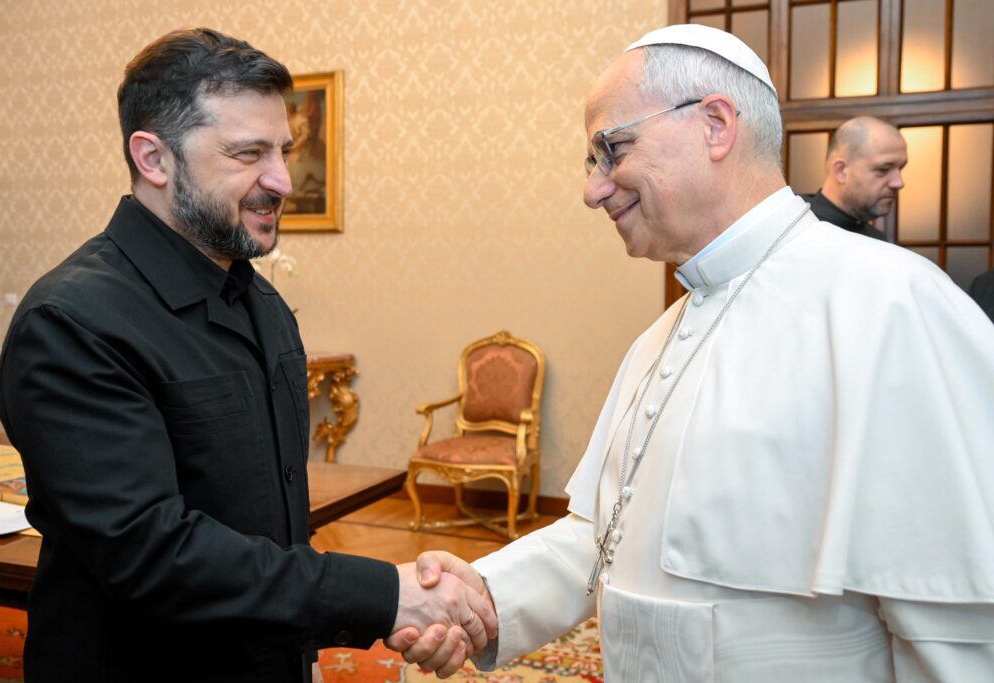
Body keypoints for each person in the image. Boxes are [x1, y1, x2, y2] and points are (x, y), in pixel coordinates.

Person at [395, 24, 994, 681]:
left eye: (611, 150)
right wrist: (478, 594)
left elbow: (960, 636)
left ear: (714, 125)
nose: (593, 189)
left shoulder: (893, 306)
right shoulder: (660, 337)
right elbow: (601, 539)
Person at [0, 28, 493, 683]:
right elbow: (153, 554)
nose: (282, 180)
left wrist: (377, 619)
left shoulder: (263, 306)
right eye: (248, 153)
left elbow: (267, 534)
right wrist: (383, 592)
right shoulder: (71, 321)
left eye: (283, 150)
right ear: (153, 158)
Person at [801, 116, 908, 241]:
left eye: (900, 168)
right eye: (883, 170)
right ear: (841, 171)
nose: (899, 183)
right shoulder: (791, 227)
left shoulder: (878, 241)